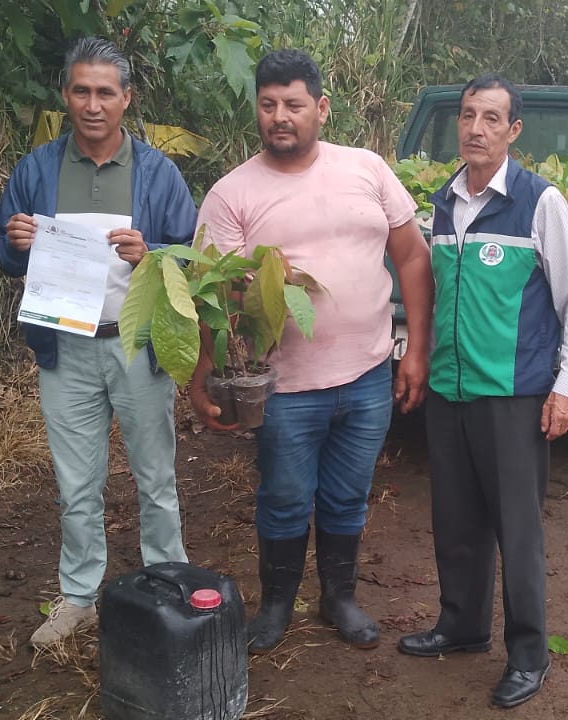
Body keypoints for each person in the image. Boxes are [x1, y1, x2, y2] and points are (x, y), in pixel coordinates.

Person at [189, 49, 434, 655]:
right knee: (284, 497)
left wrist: (416, 350)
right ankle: (277, 604)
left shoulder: (366, 170)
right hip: (284, 386)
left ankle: (338, 597)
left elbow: (411, 257)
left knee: (348, 495)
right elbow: (212, 295)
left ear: (321, 109)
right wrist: (202, 376)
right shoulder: (231, 194)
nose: (280, 116)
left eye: (294, 105)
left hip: (367, 375)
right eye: (268, 104)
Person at [396, 73, 568, 709]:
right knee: (455, 520)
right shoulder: (442, 203)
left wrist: (567, 387)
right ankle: (462, 625)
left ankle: (529, 654)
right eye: (467, 115)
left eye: (490, 118)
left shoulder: (540, 202)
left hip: (513, 396)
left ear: (514, 131)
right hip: (451, 390)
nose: (475, 128)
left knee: (518, 530)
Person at [0, 37, 196, 647]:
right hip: (66, 350)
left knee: (155, 478)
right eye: (81, 91)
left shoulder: (157, 173)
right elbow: (4, 252)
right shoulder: (37, 170)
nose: (93, 104)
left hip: (138, 347)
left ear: (127, 98)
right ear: (65, 95)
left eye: (106, 92)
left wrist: (151, 254)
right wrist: (16, 241)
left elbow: (190, 255)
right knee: (76, 484)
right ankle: (79, 597)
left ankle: (167, 583)